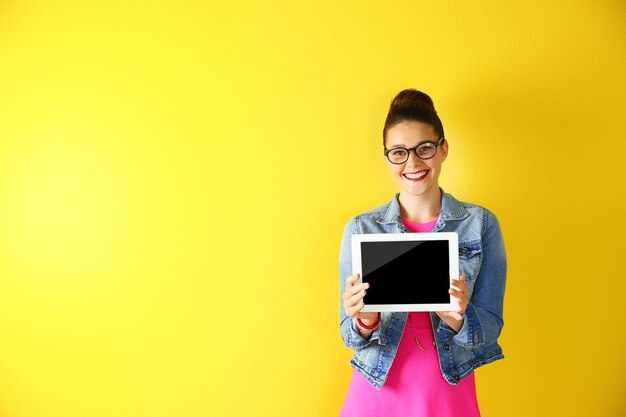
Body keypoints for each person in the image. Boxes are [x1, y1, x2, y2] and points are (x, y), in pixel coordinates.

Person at [338, 89, 507, 416]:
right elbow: (349, 332)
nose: (413, 162)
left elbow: (490, 326)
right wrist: (364, 321)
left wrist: (459, 320)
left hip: (447, 394)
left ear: (443, 149)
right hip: (375, 393)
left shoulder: (481, 224)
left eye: (424, 148)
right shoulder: (361, 230)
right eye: (399, 152)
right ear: (387, 158)